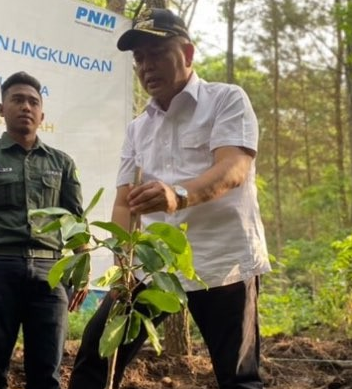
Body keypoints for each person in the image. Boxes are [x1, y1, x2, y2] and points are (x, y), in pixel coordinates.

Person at [68, 8, 271, 389]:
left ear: (188, 54)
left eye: (157, 53)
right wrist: (122, 269)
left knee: (239, 378)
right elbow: (125, 202)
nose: (147, 66)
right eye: (139, 58)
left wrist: (177, 196)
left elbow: (233, 168)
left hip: (222, 261)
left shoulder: (226, 100)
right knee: (97, 357)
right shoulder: (137, 129)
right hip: (152, 266)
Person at [0, 71, 88, 389]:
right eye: (17, 100)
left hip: (50, 273)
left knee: (47, 373)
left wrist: (82, 267)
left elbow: (75, 220)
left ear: (42, 115)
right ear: (1, 109)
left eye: (33, 102)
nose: (26, 106)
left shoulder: (62, 163)